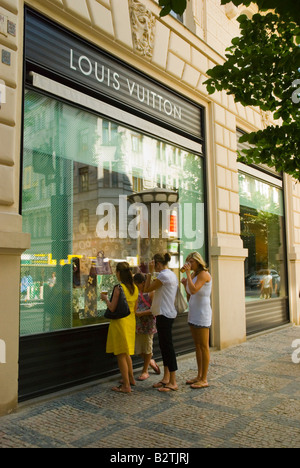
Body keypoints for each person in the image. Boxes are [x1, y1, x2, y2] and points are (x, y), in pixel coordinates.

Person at [101, 262, 139, 394]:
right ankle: (131, 378)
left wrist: (105, 299)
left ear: (118, 273)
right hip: (130, 322)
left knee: (121, 355)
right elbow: (135, 308)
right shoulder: (134, 287)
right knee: (126, 352)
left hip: (120, 323)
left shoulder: (119, 288)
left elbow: (112, 308)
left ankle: (126, 386)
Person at [144, 253, 178, 392]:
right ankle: (166, 378)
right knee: (164, 347)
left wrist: (149, 272)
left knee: (168, 348)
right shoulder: (171, 274)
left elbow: (146, 289)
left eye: (154, 263)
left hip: (165, 314)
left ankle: (173, 382)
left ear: (157, 263)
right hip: (165, 313)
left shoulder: (163, 276)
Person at [181, 252, 212, 390]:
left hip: (202, 313)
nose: (189, 265)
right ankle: (199, 376)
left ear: (198, 262)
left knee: (204, 346)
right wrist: (185, 284)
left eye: (191, 262)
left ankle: (204, 378)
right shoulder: (193, 275)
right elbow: (189, 296)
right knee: (197, 345)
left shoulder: (203, 274)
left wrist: (187, 276)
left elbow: (194, 290)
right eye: (188, 262)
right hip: (193, 312)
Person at [133, 273, 160, 381]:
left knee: (147, 347)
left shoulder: (151, 292)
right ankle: (150, 361)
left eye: (137, 284)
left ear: (143, 283)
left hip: (148, 323)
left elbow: (154, 309)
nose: (135, 286)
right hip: (137, 324)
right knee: (138, 349)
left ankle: (145, 371)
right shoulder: (136, 292)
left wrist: (141, 314)